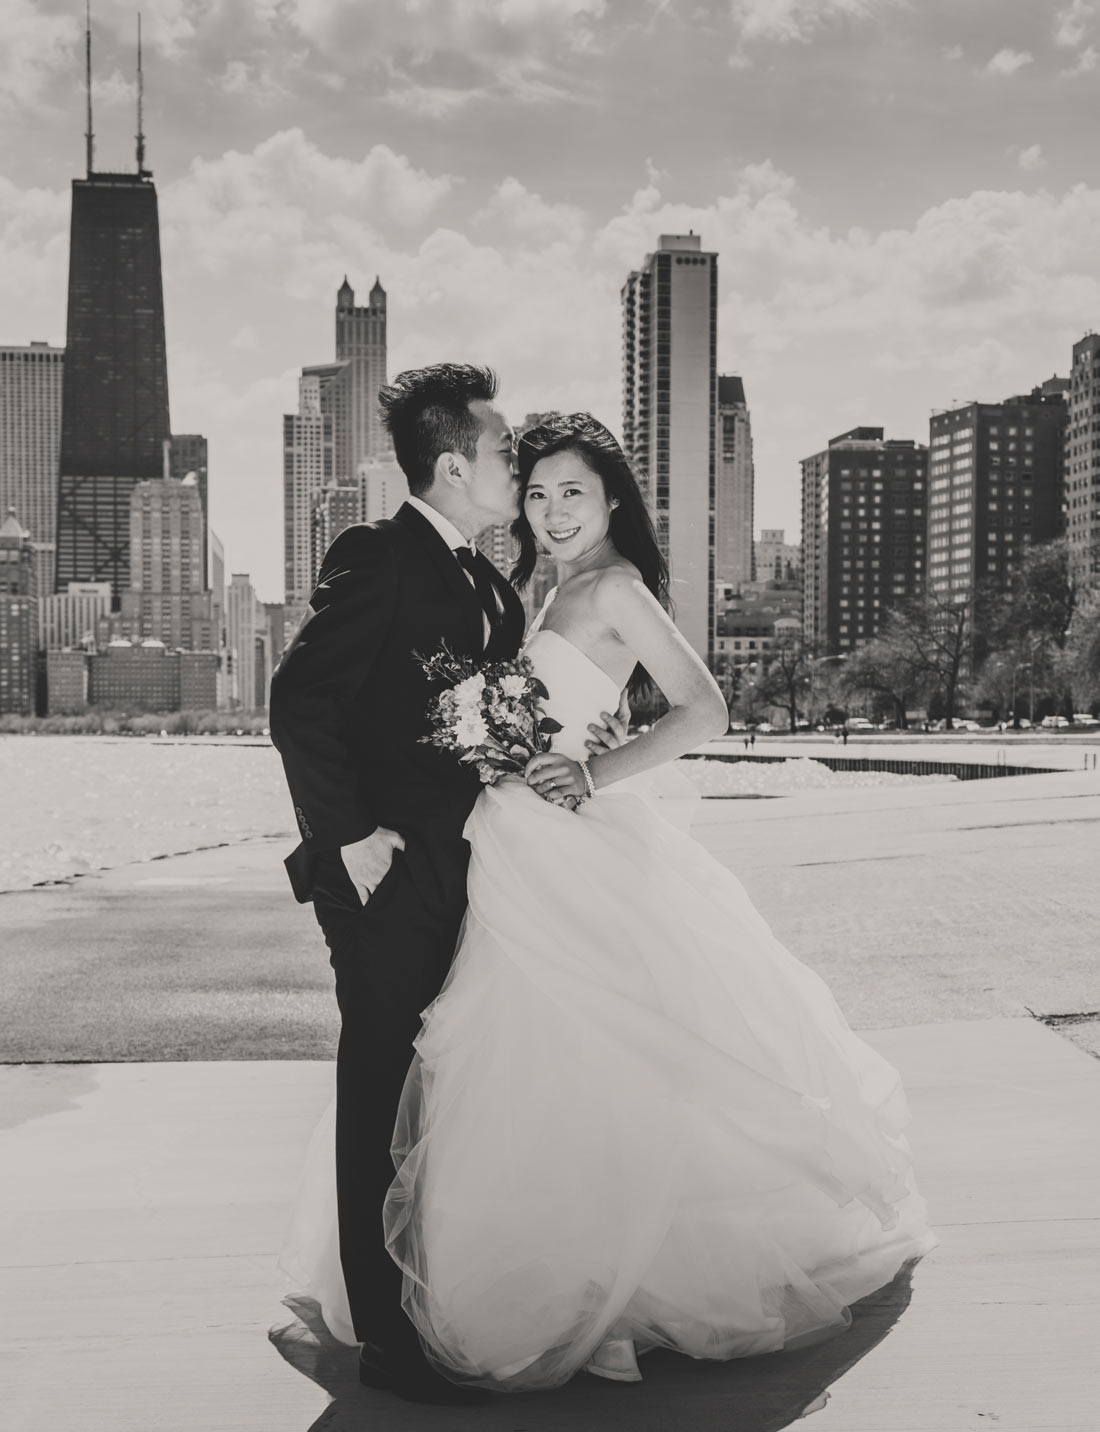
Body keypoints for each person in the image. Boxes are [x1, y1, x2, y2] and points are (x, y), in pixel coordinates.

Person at [285, 412, 935, 1394]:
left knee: (581, 1053)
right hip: (500, 846)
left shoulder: (616, 585)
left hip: (564, 847)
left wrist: (594, 772)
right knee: (496, 1059)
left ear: (612, 500)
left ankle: (607, 1278)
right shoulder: (531, 590)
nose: (549, 511)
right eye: (536, 492)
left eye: (572, 493)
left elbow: (701, 707)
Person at [269, 364, 531, 1407]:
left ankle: (432, 1291)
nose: (516, 465)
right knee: (377, 1089)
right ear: (456, 462)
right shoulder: (377, 554)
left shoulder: (491, 580)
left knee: (438, 1090)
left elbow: (483, 717)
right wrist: (353, 841)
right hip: (380, 877)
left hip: (467, 866)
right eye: (506, 451)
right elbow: (299, 702)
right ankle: (386, 1338)